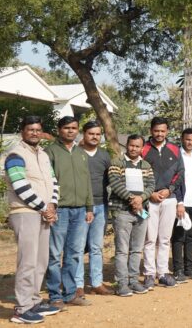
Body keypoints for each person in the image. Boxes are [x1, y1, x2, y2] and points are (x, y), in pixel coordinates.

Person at [5, 116, 61, 324]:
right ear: (22, 131)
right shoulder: (15, 154)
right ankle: (22, 308)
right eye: (30, 129)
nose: (35, 133)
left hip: (44, 213)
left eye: (38, 129)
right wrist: (43, 207)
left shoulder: (44, 155)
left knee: (41, 260)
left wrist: (52, 205)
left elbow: (53, 181)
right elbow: (20, 186)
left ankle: (34, 301)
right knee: (27, 261)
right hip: (25, 212)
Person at [45, 116, 94, 307]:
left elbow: (87, 182)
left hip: (80, 210)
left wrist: (89, 207)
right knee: (55, 254)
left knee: (74, 253)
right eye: (67, 128)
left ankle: (71, 294)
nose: (71, 131)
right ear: (59, 130)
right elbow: (46, 181)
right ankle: (55, 296)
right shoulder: (50, 152)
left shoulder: (81, 153)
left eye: (74, 128)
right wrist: (51, 206)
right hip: (60, 210)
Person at [141, 117, 185, 289]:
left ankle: (163, 273)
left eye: (163, 131)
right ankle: (149, 274)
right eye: (156, 130)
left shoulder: (174, 149)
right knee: (150, 239)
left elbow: (180, 172)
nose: (159, 134)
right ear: (151, 130)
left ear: (167, 131)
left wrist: (170, 189)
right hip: (149, 200)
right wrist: (149, 193)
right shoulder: (143, 149)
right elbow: (139, 173)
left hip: (169, 199)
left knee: (165, 239)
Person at [108, 134, 155, 297]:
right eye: (131, 145)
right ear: (127, 145)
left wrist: (141, 199)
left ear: (142, 148)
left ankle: (133, 280)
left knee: (136, 249)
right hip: (122, 211)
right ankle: (121, 283)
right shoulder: (117, 162)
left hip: (141, 211)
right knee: (122, 250)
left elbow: (151, 185)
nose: (134, 149)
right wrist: (132, 199)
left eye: (137, 146)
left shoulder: (146, 165)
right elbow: (115, 183)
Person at [78, 121, 112, 296]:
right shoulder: (76, 154)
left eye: (98, 134)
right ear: (84, 134)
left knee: (96, 246)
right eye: (91, 133)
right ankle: (77, 285)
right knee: (77, 247)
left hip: (101, 205)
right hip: (80, 207)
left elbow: (111, 180)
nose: (94, 137)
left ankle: (96, 283)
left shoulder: (104, 156)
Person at [172, 128, 192, 282]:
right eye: (187, 139)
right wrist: (179, 202)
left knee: (191, 236)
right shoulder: (177, 156)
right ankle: (178, 271)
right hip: (182, 203)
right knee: (179, 237)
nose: (190, 142)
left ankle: (189, 269)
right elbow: (175, 181)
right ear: (182, 139)